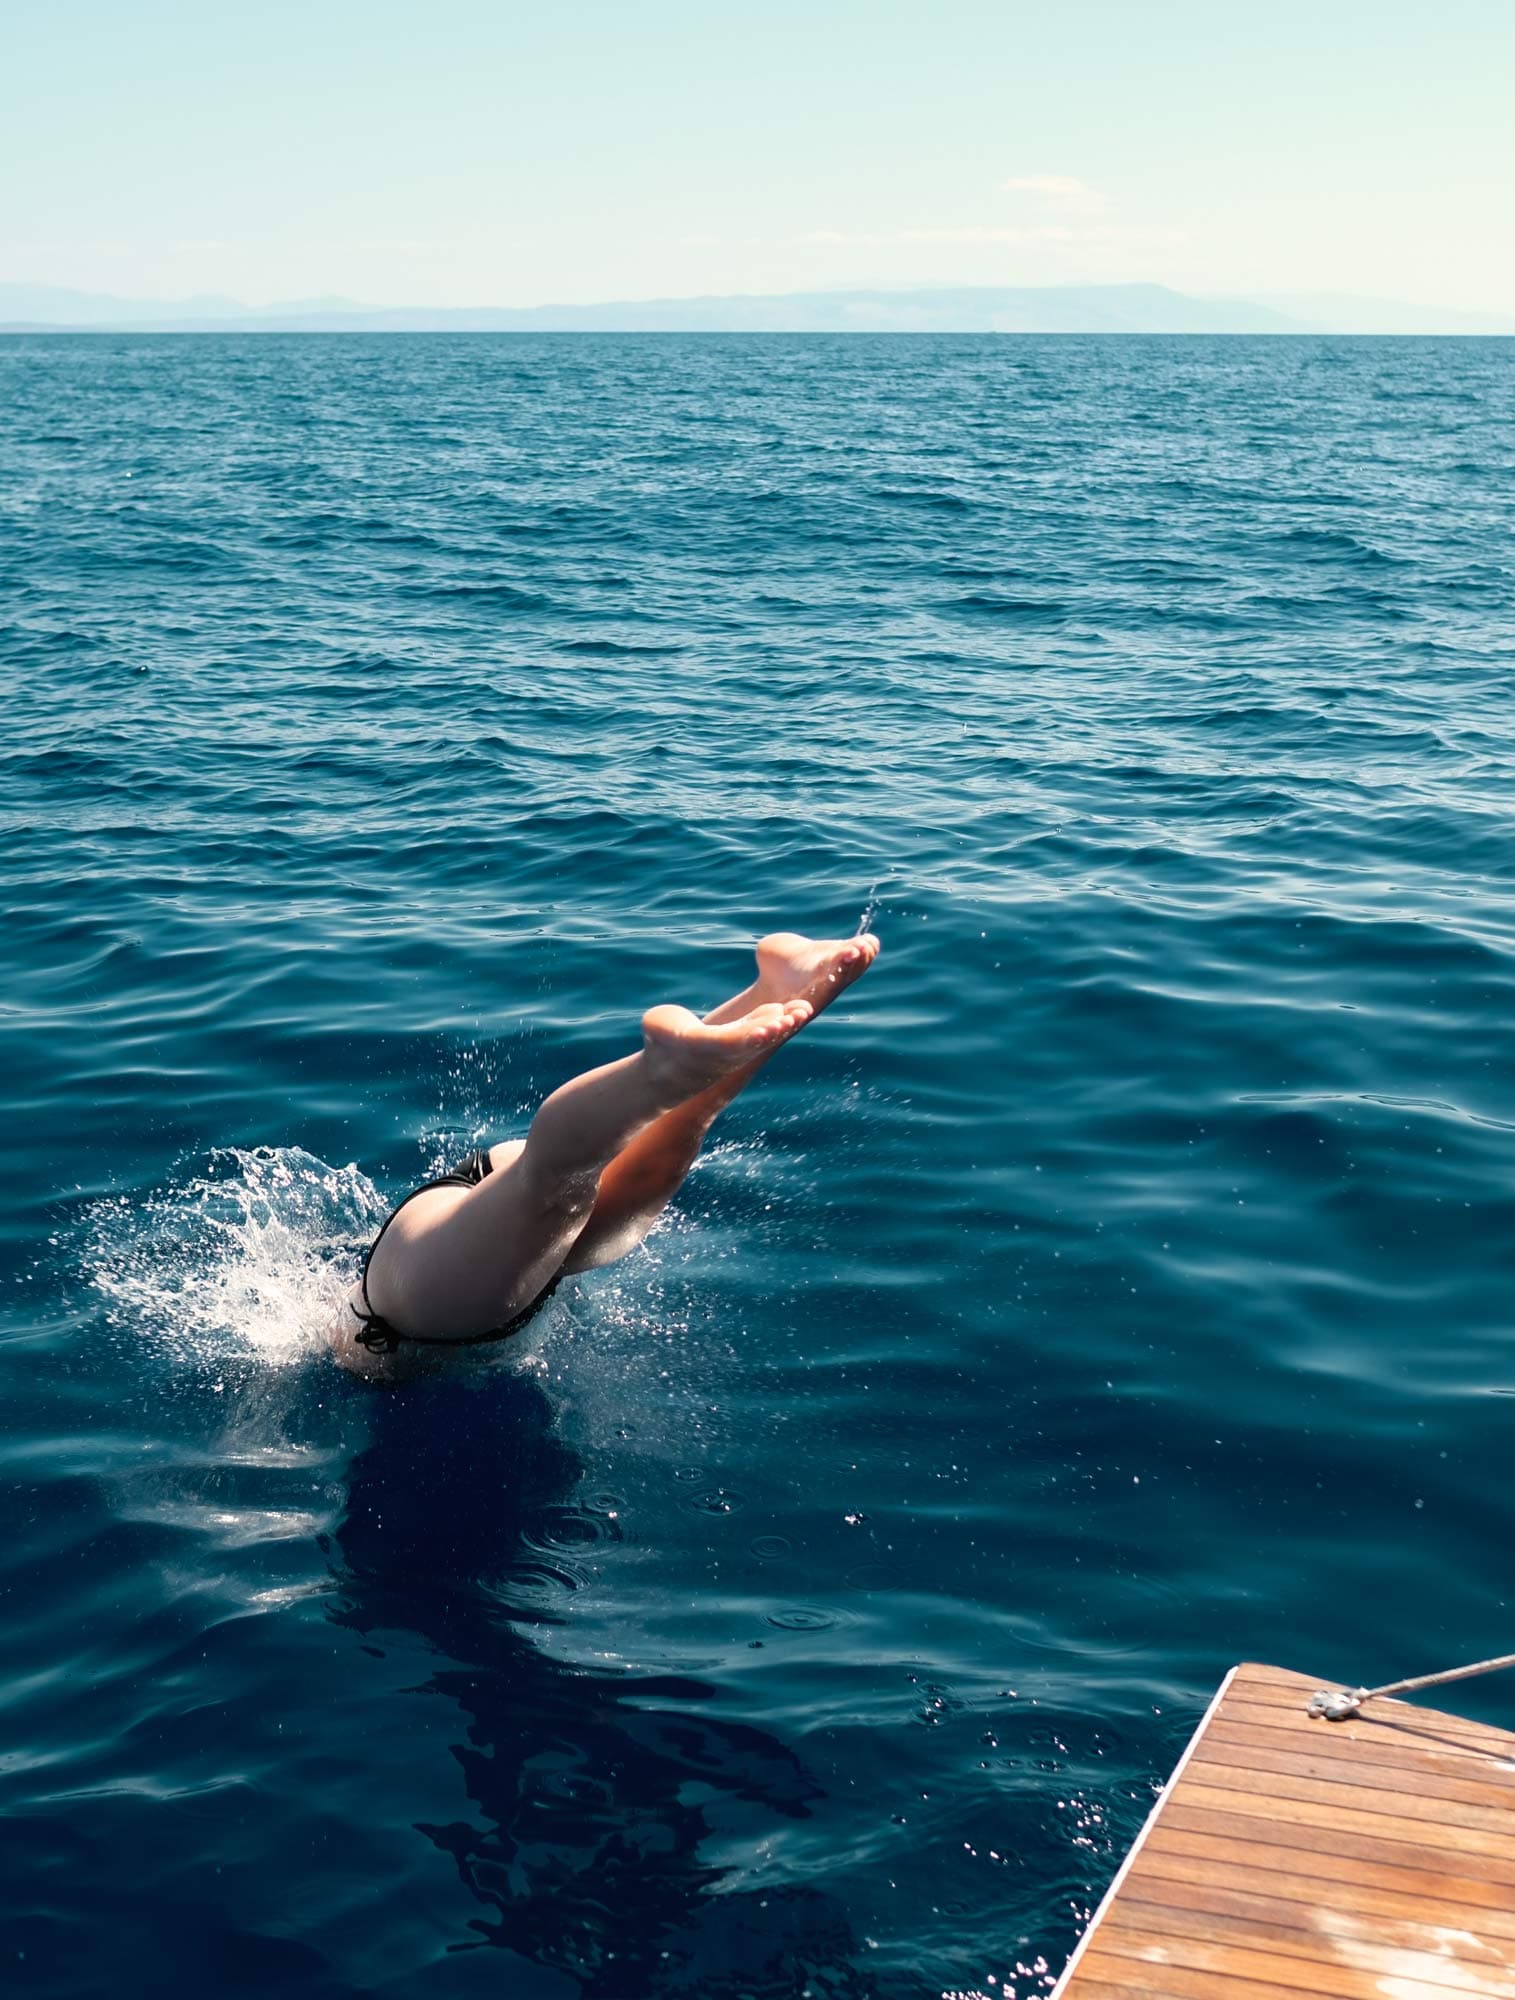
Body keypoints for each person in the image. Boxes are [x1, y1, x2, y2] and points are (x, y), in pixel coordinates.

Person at [330, 930, 880, 1382]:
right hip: (484, 1253)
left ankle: (662, 1068)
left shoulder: (401, 1318)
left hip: (406, 1305)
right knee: (664, 1147)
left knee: (553, 1187)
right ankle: (785, 989)